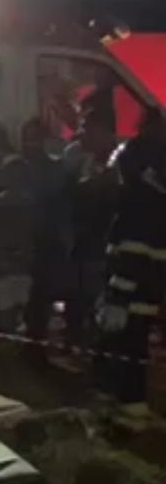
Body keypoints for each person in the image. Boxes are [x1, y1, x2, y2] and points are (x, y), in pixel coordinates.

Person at [98, 108, 166, 405]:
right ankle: (130, 405)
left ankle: (127, 405)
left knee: (127, 347)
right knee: (134, 345)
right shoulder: (154, 200)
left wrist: (118, 298)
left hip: (131, 289)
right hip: (148, 284)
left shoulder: (137, 206)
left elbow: (133, 251)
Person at [67, 111, 118, 348]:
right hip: (82, 241)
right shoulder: (84, 161)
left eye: (89, 129)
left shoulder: (118, 160)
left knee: (99, 298)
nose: (83, 135)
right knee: (80, 297)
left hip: (105, 243)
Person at [20, 116, 69, 344]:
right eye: (27, 139)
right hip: (21, 240)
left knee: (41, 294)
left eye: (34, 138)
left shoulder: (54, 169)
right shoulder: (18, 168)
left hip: (45, 239)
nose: (30, 144)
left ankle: (35, 340)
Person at [0, 156, 36, 333]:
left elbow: (34, 235)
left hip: (20, 266)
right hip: (6, 266)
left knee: (17, 311)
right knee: (8, 311)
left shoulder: (30, 204)